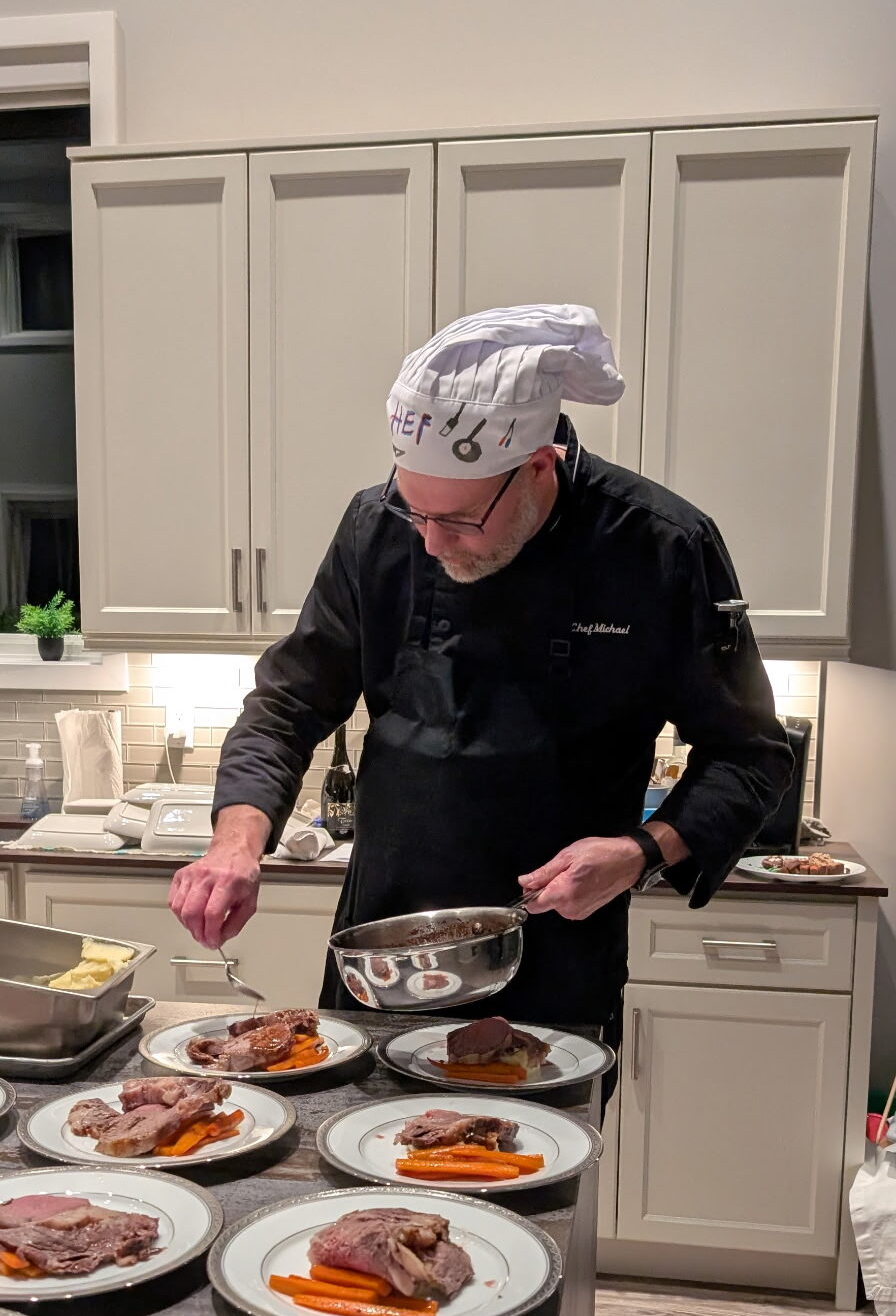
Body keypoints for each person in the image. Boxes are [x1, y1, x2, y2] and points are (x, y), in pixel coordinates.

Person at [170, 303, 792, 1089]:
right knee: (361, 1173)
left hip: (559, 941)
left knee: (530, 1186)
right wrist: (235, 841)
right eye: (415, 511)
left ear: (538, 465)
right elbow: (290, 702)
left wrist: (641, 852)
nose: (429, 542)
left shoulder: (661, 545)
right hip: (386, 939)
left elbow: (750, 756)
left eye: (458, 521)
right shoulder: (376, 528)